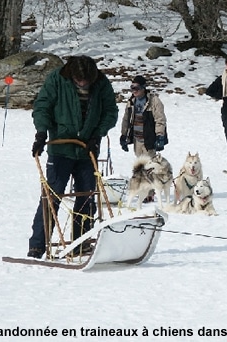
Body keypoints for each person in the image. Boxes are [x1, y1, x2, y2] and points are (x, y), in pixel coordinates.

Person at [27, 55, 118, 259]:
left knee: (86, 198)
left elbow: (111, 111)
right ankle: (37, 246)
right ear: (72, 75)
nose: (83, 83)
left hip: (88, 148)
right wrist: (41, 133)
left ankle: (81, 242)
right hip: (61, 149)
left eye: (87, 80)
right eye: (79, 80)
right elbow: (42, 106)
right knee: (52, 196)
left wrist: (97, 135)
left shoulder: (101, 83)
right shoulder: (57, 79)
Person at [120, 75, 168, 202]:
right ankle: (143, 189)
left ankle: (151, 193)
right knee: (140, 166)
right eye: (132, 88)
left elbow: (160, 119)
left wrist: (159, 136)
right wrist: (124, 135)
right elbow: (126, 120)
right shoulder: (131, 102)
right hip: (137, 139)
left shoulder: (153, 101)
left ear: (143, 88)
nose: (134, 91)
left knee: (150, 166)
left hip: (149, 139)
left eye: (136, 88)